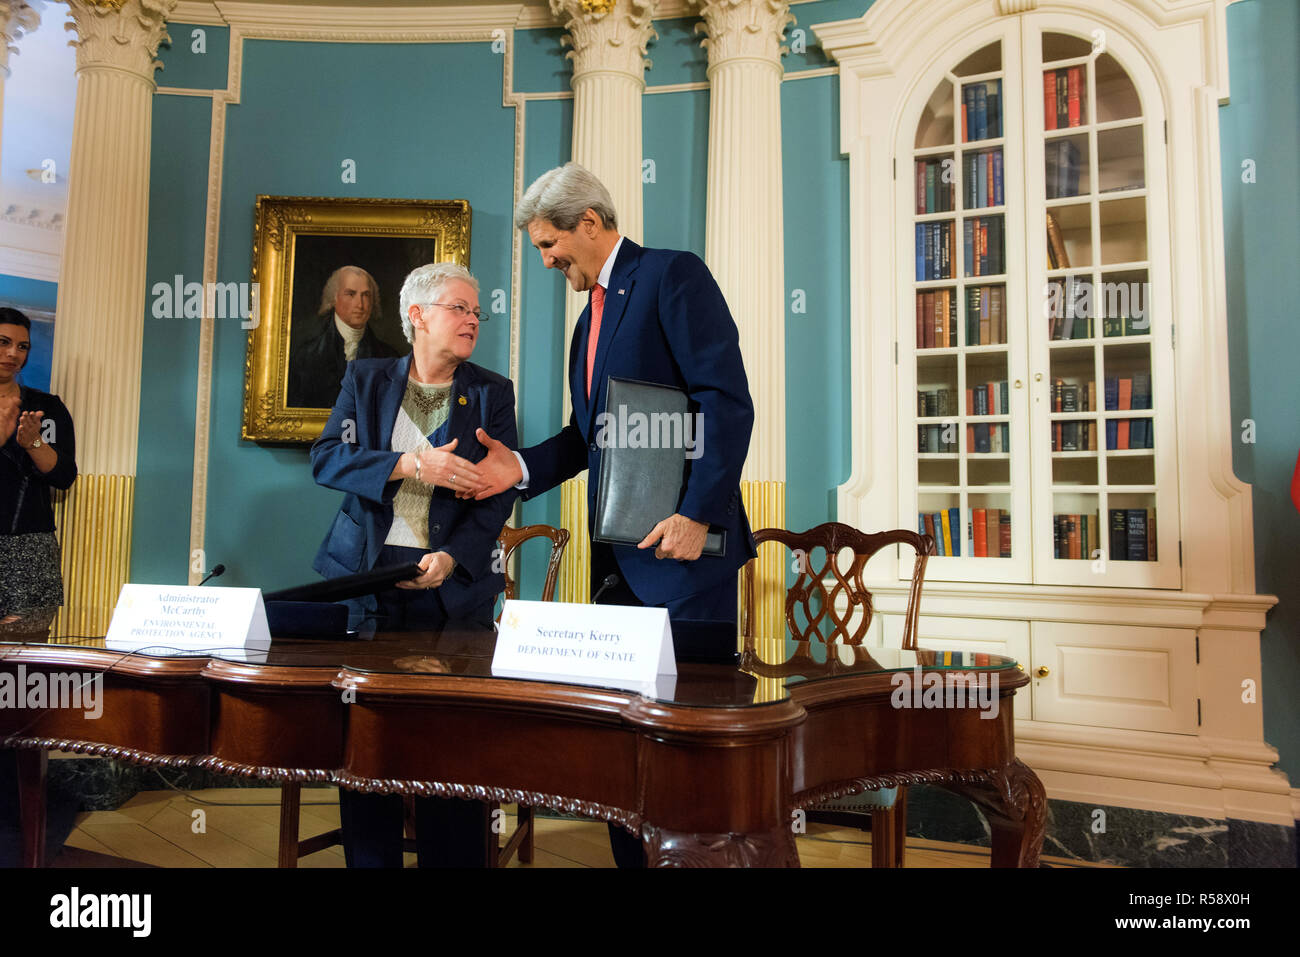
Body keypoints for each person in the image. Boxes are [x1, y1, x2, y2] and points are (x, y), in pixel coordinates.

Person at [470, 162, 757, 866]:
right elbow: (584, 435)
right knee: (626, 760)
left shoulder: (672, 276)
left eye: (549, 244)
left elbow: (725, 400)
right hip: (617, 567)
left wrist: (697, 514)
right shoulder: (586, 326)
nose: (546, 260)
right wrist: (522, 468)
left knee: (689, 763)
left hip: (685, 560)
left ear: (589, 224)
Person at [309, 262, 517, 867]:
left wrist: (453, 556)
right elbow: (327, 458)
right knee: (367, 748)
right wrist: (410, 465)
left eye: (478, 311)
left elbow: (499, 491)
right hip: (369, 580)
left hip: (452, 589)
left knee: (452, 749)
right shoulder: (366, 378)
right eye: (460, 308)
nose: (473, 319)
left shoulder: (491, 391)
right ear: (418, 316)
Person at [0, 307, 77, 642]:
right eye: (3, 342)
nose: (13, 353)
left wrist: (33, 443)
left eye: (22, 346)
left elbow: (64, 476)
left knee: (23, 670)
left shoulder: (46, 407)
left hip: (30, 550)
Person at [288, 265, 400, 408]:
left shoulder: (390, 358)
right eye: (351, 294)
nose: (360, 304)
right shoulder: (306, 357)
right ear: (334, 298)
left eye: (366, 295)